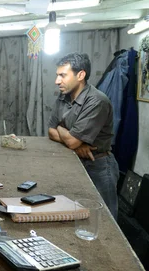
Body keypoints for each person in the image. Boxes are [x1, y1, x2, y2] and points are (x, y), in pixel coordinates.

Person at [48, 52, 119, 219]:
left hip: (99, 165)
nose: (57, 81)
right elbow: (50, 131)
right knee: (80, 215)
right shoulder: (63, 97)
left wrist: (64, 131)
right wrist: (76, 142)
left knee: (105, 219)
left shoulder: (97, 101)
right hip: (75, 161)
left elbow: (71, 141)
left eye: (62, 75)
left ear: (80, 75)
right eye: (57, 75)